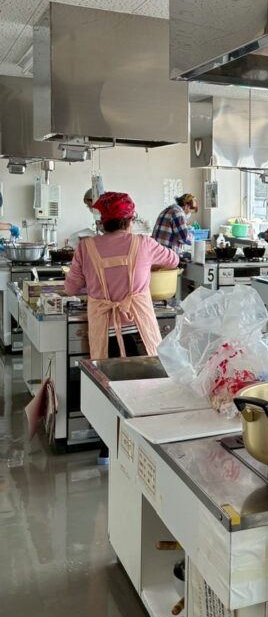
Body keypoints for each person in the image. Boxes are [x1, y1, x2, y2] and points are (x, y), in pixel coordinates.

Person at [63, 192, 179, 463]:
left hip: (104, 330)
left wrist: (93, 286)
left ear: (102, 222)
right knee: (147, 386)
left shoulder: (86, 247)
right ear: (130, 220)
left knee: (109, 387)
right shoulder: (144, 243)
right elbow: (173, 260)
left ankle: (107, 449)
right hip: (139, 329)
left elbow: (71, 287)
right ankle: (146, 448)